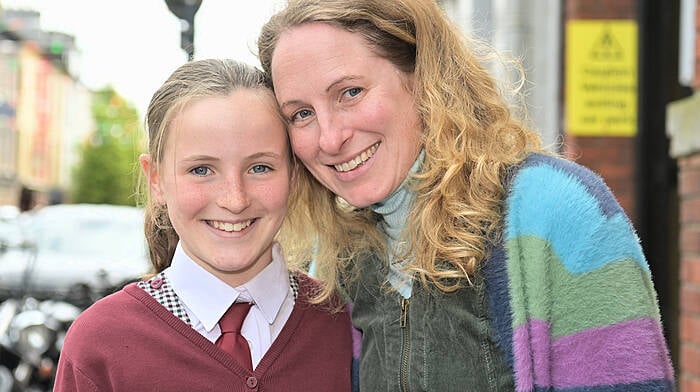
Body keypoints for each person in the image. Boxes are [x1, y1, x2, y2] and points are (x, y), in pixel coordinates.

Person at [257, 1, 676, 391]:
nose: (330, 138)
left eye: (350, 92)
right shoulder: (338, 258)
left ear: (422, 78)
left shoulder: (558, 211)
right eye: (302, 114)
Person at [54, 58, 353, 392]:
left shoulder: (345, 325)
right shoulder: (100, 344)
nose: (235, 199)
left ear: (294, 175)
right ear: (157, 180)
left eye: (260, 168)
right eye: (201, 170)